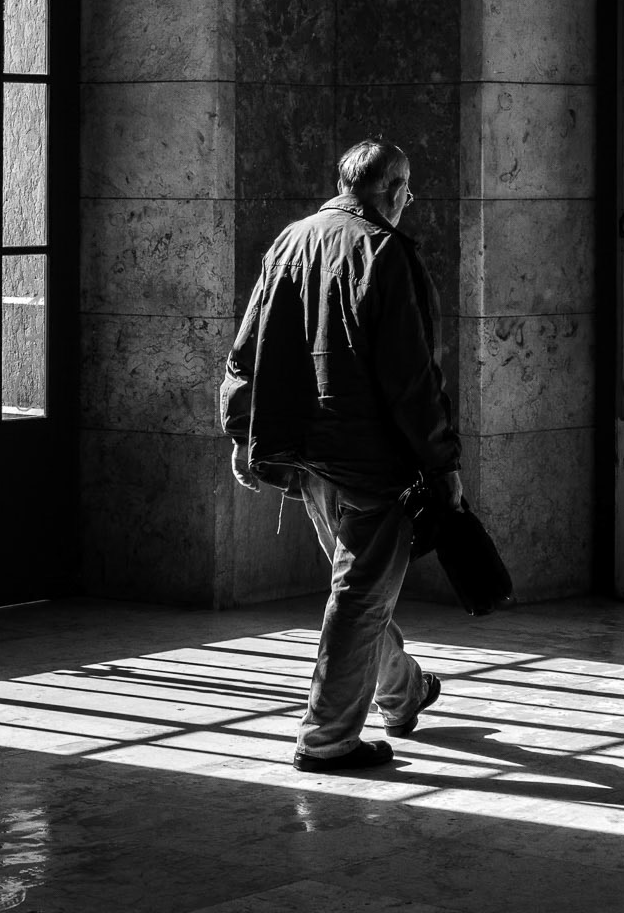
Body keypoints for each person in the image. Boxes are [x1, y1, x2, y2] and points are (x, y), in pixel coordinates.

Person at [220, 138, 463, 773]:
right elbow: (414, 382)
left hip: (306, 457)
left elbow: (246, 353)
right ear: (392, 190)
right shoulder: (387, 254)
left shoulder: (290, 241)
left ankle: (403, 691)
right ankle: (327, 738)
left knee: (357, 587)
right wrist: (443, 465)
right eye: (407, 188)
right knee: (359, 597)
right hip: (370, 464)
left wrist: (244, 435)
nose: (409, 199)